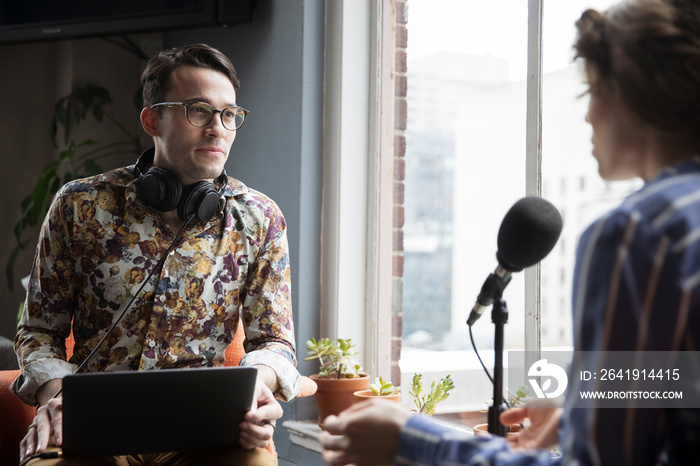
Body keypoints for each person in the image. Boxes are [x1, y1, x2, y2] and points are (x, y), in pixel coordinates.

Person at [320, 0, 700, 464]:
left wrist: (413, 439)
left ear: (633, 94)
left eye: (592, 93)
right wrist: (587, 401)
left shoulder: (637, 232)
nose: (587, 117)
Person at [12, 43, 300, 465]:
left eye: (229, 114)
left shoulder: (259, 217)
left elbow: (275, 339)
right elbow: (38, 330)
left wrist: (262, 382)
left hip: (206, 433)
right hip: (93, 427)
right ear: (152, 119)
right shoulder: (79, 205)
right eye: (199, 110)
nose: (217, 128)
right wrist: (58, 397)